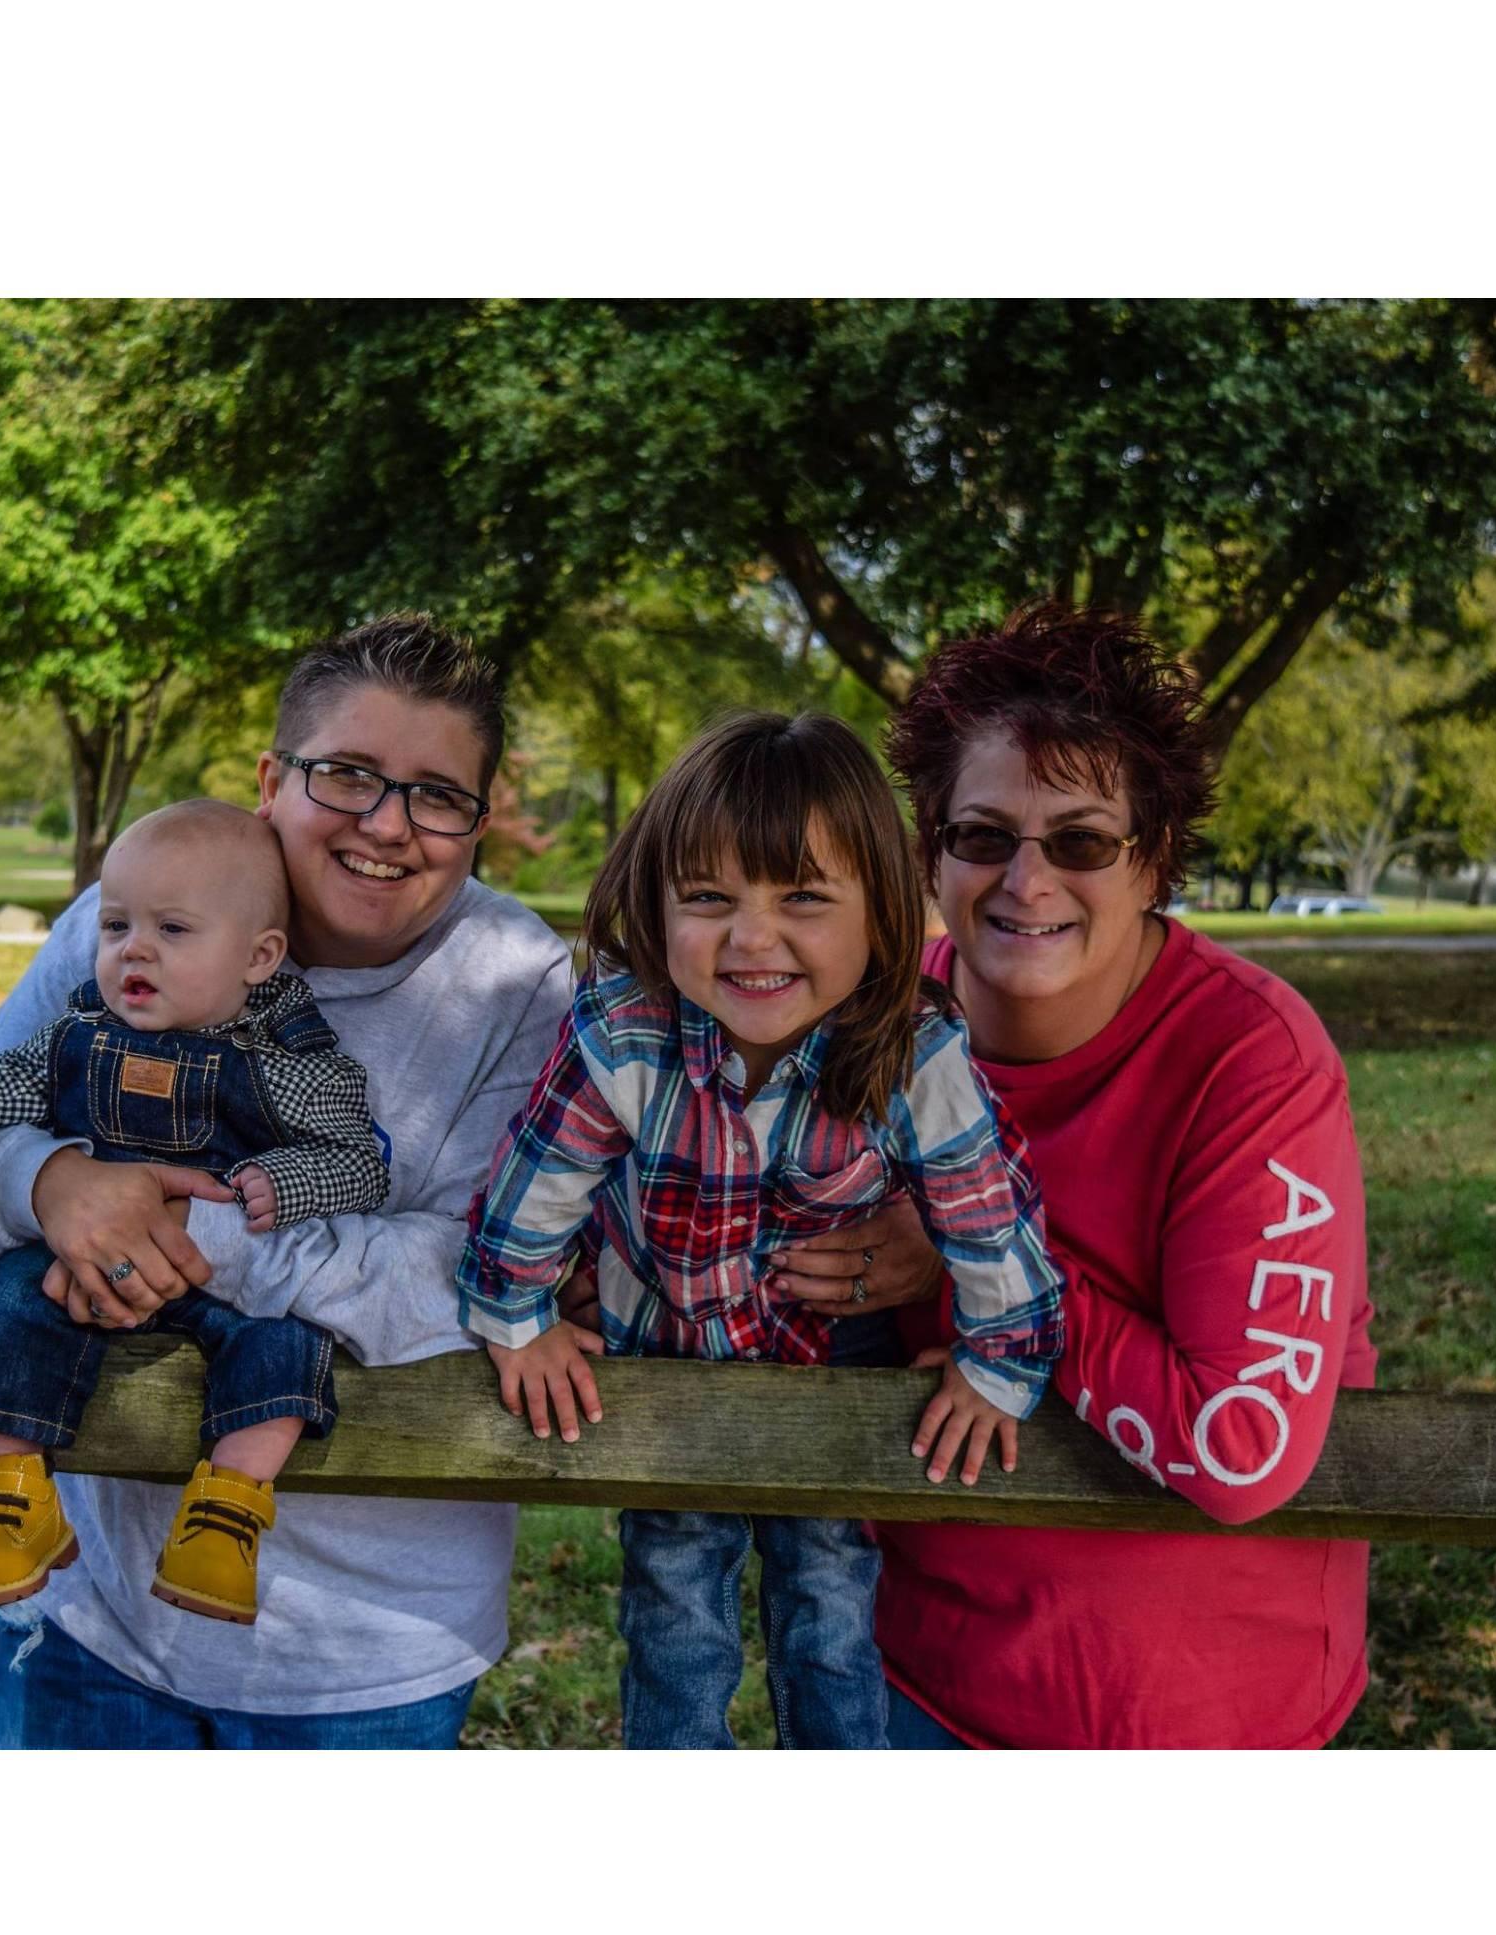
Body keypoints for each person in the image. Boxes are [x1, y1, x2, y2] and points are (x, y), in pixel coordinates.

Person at [0, 615, 573, 1747]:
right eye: (347, 775)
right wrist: (51, 1184)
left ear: (477, 820)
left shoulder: (516, 982)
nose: (386, 824)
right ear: (272, 777)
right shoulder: (127, 916)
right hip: (89, 1616)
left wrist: (176, 1225)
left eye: (436, 793)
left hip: (368, 1650)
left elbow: (477, 1263)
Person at [769, 602, 1377, 1749]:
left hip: (1204, 1710)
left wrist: (963, 1252)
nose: (1025, 880)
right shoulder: (870, 1025)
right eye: (983, 835)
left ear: (1153, 860)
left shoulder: (1249, 1058)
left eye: (1082, 840)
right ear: (927, 853)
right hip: (908, 1684)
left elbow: (1237, 1446)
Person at [458, 711, 1064, 1748]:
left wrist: (996, 1361)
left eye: (803, 899)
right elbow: (531, 1194)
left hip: (833, 1368)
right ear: (656, 902)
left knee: (828, 1601)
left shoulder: (912, 1049)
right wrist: (519, 1314)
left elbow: (990, 1218)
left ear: (880, 911)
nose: (750, 938)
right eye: (707, 898)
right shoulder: (623, 1033)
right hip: (665, 1364)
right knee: (674, 1606)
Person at [0, 799, 388, 1625]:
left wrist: (291, 1181)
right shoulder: (75, 1040)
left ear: (258, 957)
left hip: (225, 1272)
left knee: (287, 1342)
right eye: (114, 926)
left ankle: (229, 1511)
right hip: (83, 1261)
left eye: (173, 930)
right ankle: (12, 1498)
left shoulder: (287, 1071)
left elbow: (360, 1162)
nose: (133, 948)